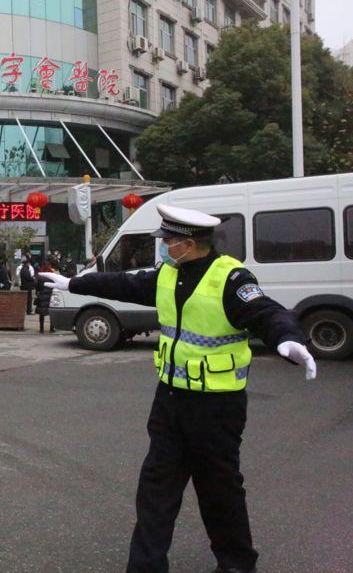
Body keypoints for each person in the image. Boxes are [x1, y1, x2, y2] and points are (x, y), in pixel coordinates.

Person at [41, 204, 317, 573]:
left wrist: (287, 338)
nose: (163, 246)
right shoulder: (169, 275)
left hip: (216, 408)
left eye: (167, 241)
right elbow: (123, 283)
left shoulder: (231, 278)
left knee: (220, 491)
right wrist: (75, 283)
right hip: (170, 401)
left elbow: (267, 312)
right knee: (155, 490)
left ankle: (237, 564)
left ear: (187, 244)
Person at [34, 262, 57, 333]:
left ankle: (41, 329)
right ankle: (51, 328)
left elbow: (36, 285)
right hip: (50, 295)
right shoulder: (52, 275)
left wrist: (38, 291)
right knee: (51, 312)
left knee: (42, 313)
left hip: (42, 295)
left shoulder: (40, 275)